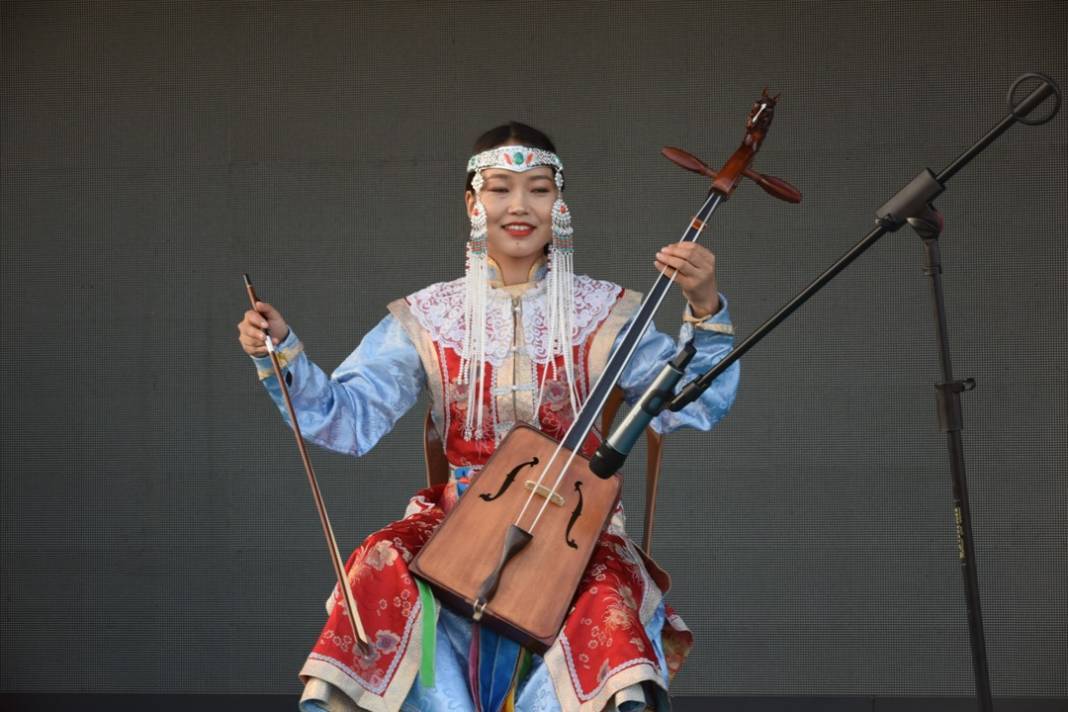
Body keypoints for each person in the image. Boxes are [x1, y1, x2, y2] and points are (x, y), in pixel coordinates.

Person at [237, 122, 740, 712]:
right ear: (474, 204)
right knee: (383, 562)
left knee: (606, 600)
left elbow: (693, 403)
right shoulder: (431, 315)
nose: (519, 207)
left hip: (577, 528)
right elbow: (347, 419)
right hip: (457, 522)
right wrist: (282, 351)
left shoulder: (608, 312)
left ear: (560, 204)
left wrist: (703, 307)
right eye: (501, 189)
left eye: (538, 190)